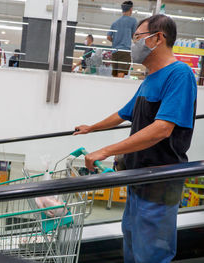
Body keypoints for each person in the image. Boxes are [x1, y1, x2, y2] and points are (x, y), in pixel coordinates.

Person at [75, 14, 197, 263]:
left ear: (158, 38)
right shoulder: (150, 78)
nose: (133, 45)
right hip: (137, 178)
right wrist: (92, 128)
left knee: (151, 254)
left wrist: (105, 151)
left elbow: (162, 129)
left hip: (159, 183)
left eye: (137, 38)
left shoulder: (180, 74)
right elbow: (124, 113)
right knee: (131, 243)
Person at [107, 1, 137, 78]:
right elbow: (134, 37)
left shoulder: (115, 23)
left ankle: (114, 89)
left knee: (115, 73)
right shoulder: (133, 21)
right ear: (131, 9)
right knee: (121, 73)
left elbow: (108, 37)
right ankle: (117, 89)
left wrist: (116, 41)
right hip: (125, 51)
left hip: (114, 52)